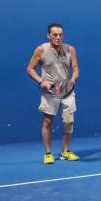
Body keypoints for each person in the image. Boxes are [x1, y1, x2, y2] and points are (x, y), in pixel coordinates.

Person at [26, 23, 80, 165]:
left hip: (67, 90)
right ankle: (48, 153)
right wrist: (40, 81)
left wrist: (72, 81)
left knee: (68, 121)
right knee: (48, 122)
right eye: (55, 34)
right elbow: (30, 68)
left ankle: (65, 152)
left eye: (60, 34)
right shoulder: (41, 49)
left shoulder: (70, 49)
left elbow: (75, 69)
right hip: (50, 91)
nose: (58, 37)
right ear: (48, 35)